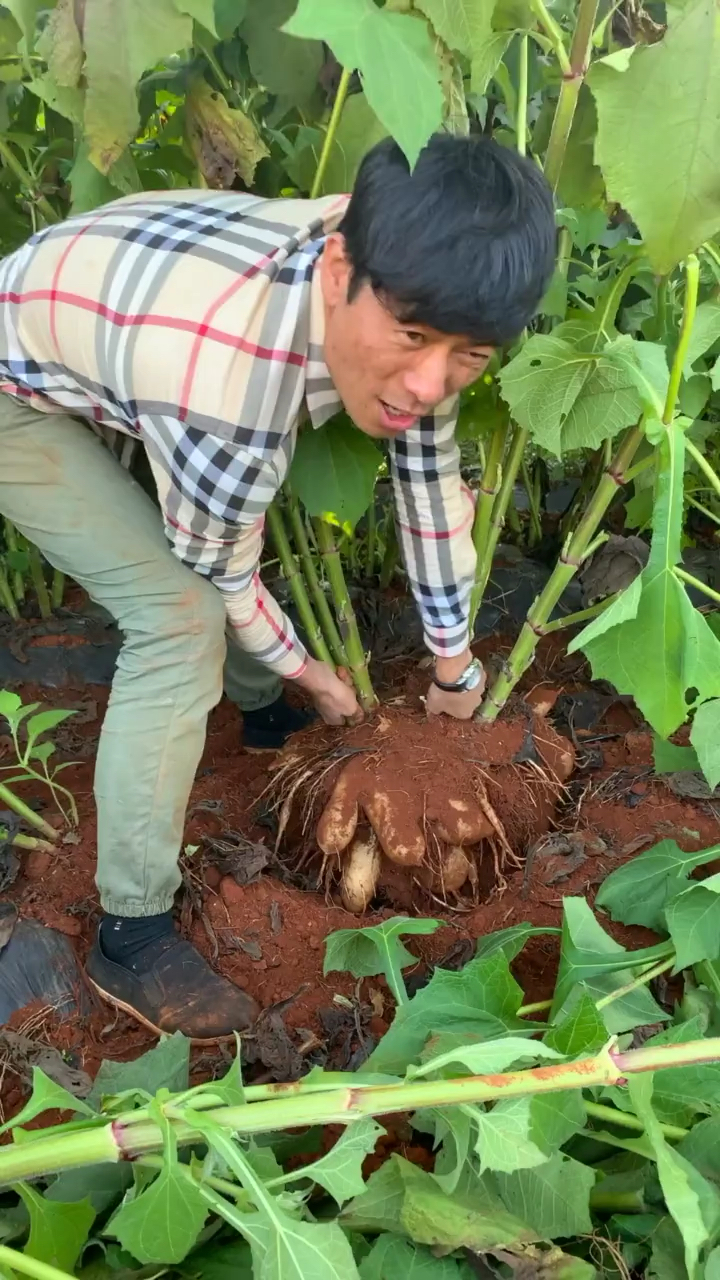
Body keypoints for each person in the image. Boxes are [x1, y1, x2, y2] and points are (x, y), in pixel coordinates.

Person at [0, 133, 555, 1040]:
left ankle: (260, 718)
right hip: (16, 388)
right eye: (412, 339)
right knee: (179, 618)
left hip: (115, 321)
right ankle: (130, 934)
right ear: (338, 271)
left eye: (469, 356)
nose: (429, 379)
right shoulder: (228, 398)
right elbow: (215, 570)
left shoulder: (407, 264)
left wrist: (456, 663)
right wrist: (316, 677)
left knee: (215, 563)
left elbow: (428, 479)